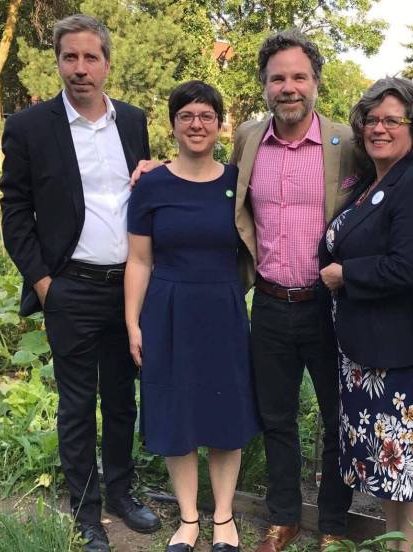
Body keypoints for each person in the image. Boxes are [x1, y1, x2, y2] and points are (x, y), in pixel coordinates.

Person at [0, 14, 160, 552]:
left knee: (122, 398)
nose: (81, 68)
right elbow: (15, 211)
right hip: (70, 286)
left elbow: (143, 195)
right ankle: (86, 512)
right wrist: (44, 283)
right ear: (58, 62)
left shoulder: (132, 121)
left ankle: (121, 492)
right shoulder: (31, 127)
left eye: (91, 57)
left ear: (107, 63)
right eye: (70, 57)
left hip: (128, 287)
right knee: (76, 404)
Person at [229, 31, 360, 552]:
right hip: (268, 303)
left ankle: (333, 523)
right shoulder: (248, 139)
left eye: (298, 76)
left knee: (338, 417)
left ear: (316, 82)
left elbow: (388, 183)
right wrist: (156, 170)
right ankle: (284, 516)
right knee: (276, 418)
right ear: (264, 85)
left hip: (328, 306)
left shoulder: (345, 142)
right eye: (277, 78)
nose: (289, 87)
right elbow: (217, 184)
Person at [318, 77, 413, 551]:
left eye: (392, 120)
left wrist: (346, 274)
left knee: (410, 472)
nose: (379, 128)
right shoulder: (371, 183)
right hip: (366, 355)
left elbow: (410, 266)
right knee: (389, 471)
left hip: (399, 360)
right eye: (371, 120)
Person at [125, 80, 261, 552]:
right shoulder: (151, 185)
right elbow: (139, 260)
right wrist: (132, 322)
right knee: (175, 415)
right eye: (186, 116)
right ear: (173, 125)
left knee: (226, 413)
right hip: (167, 311)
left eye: (206, 116)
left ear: (220, 125)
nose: (197, 124)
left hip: (223, 310)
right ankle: (188, 519)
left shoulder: (238, 182)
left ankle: (223, 517)